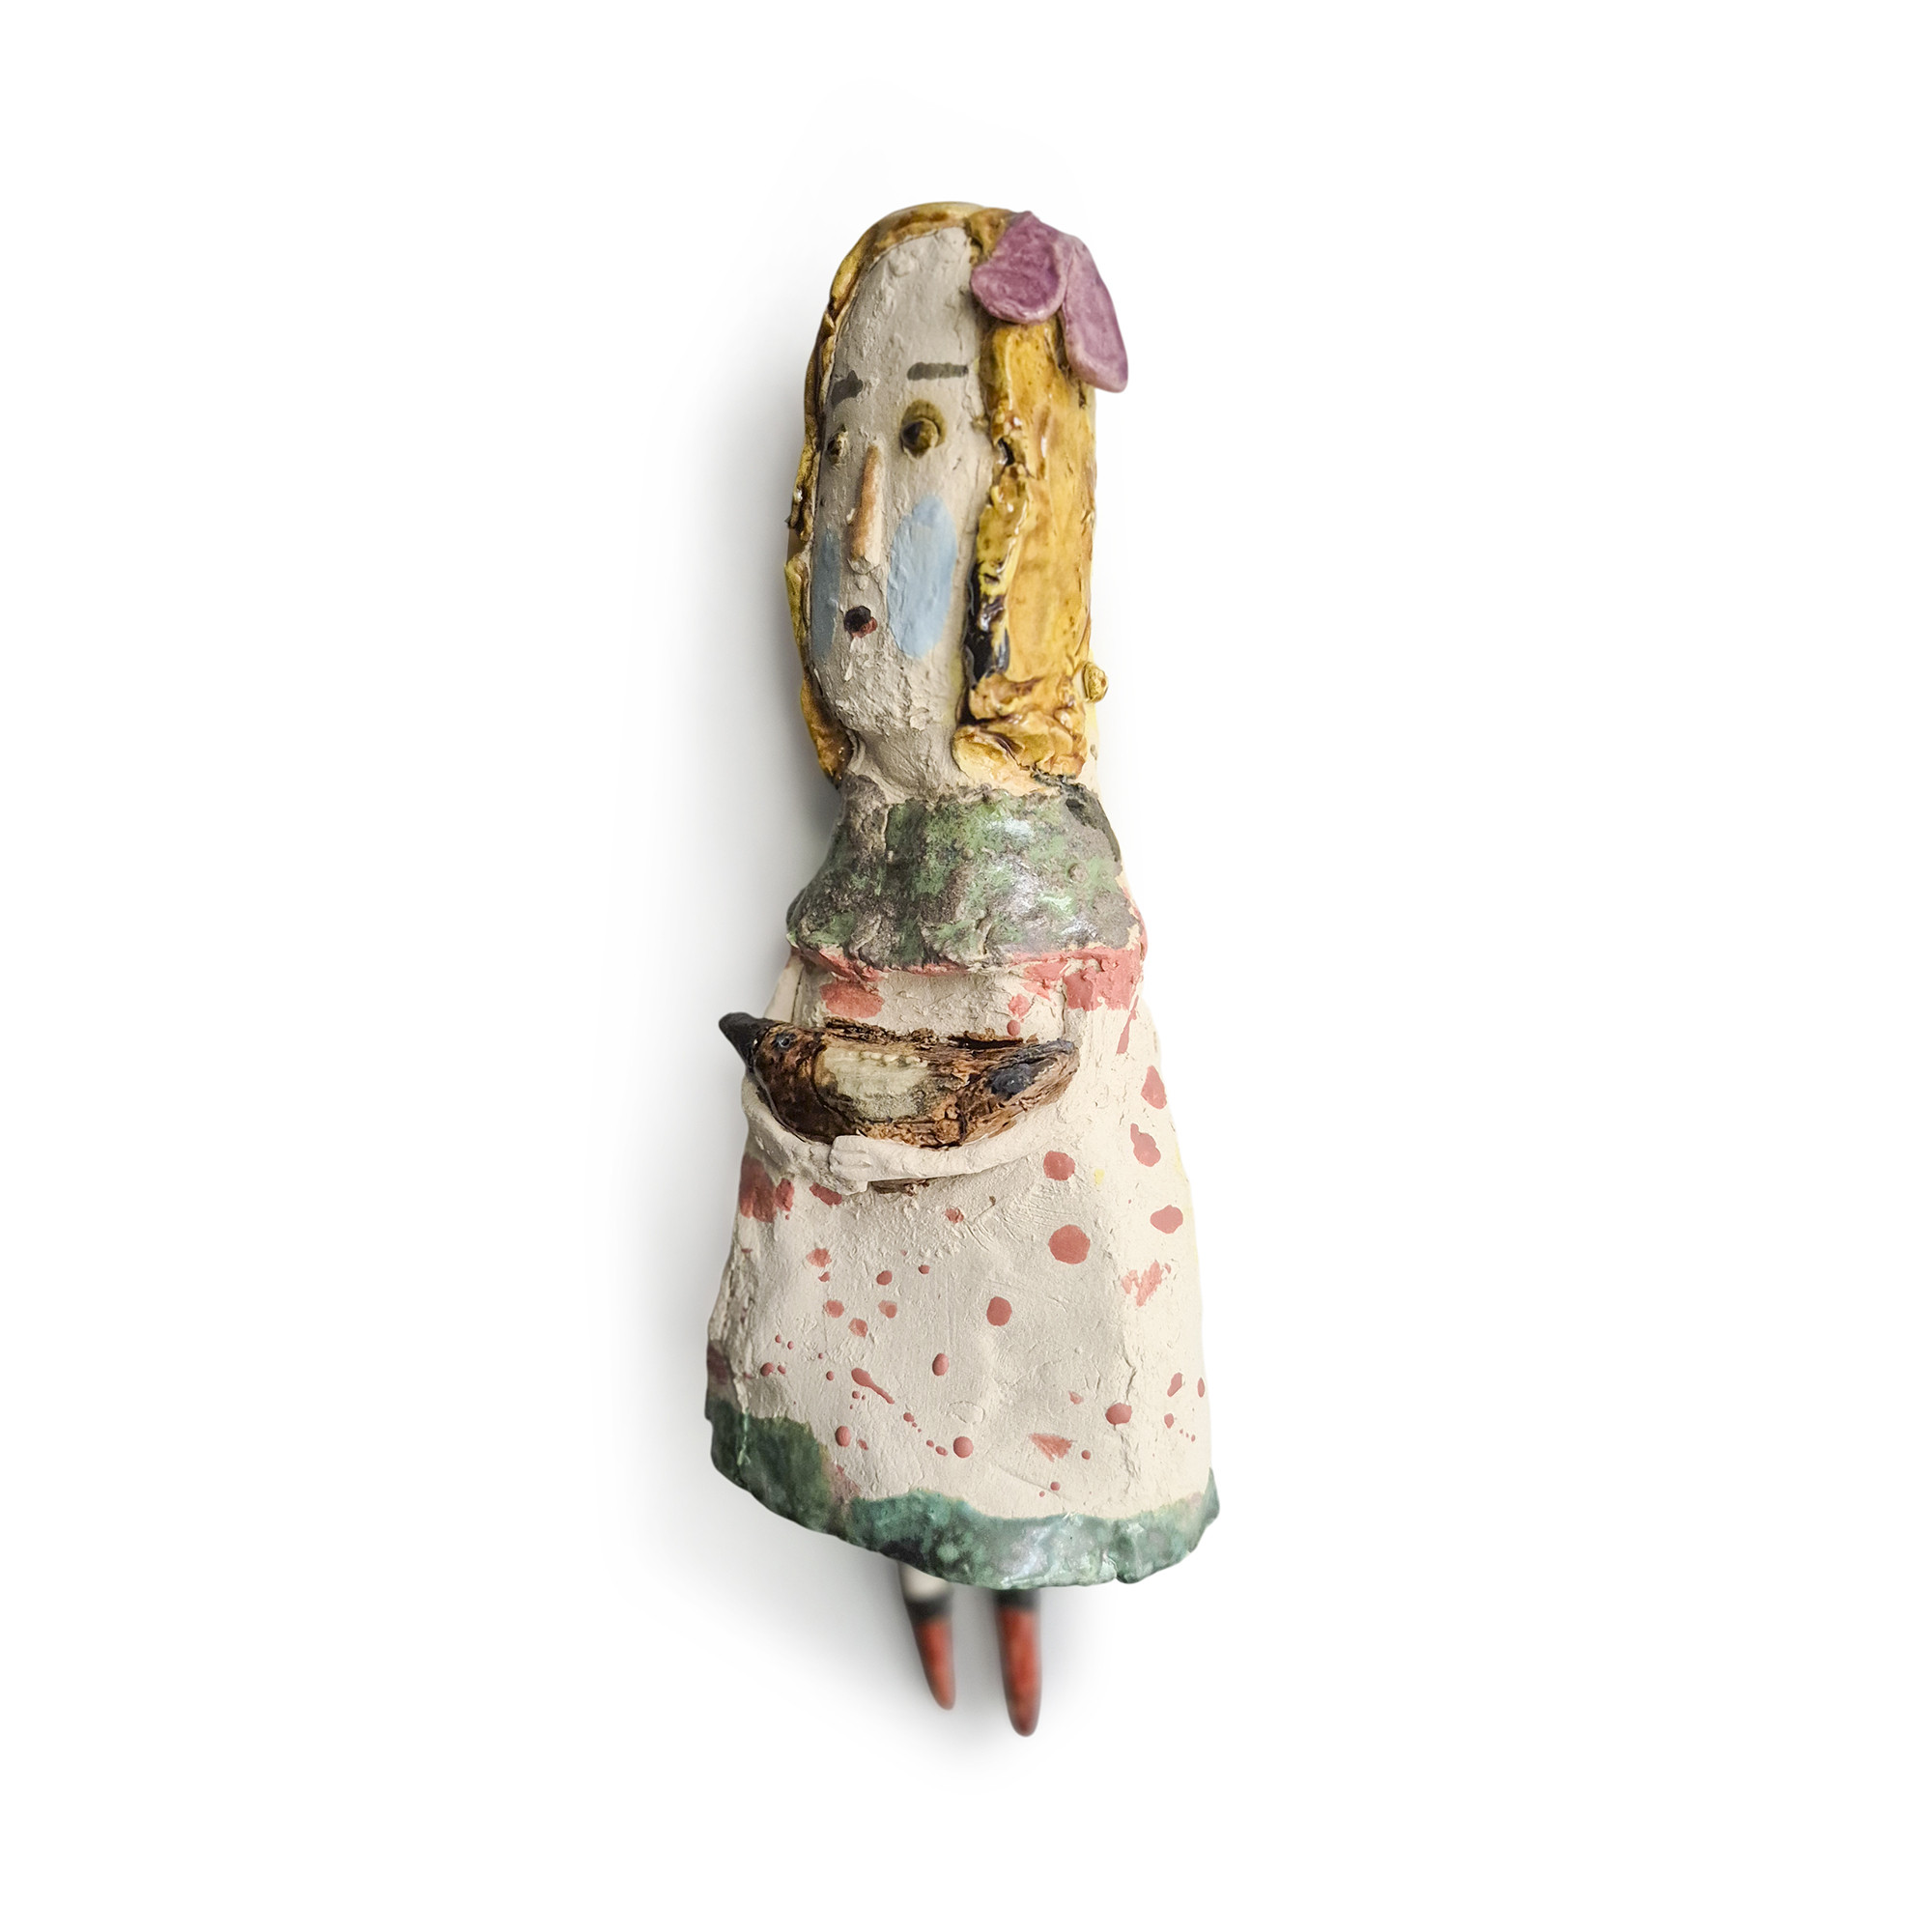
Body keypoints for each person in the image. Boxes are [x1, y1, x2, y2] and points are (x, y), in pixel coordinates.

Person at [706, 205, 1215, 1734]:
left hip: (1037, 1255)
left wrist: (967, 1095)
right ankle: (923, 1572)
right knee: (877, 1402)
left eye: (926, 440)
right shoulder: (856, 880)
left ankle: (1011, 1572)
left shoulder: (1051, 877)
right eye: (845, 447)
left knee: (1036, 1388)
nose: (863, 526)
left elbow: (1069, 1097)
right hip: (868, 1287)